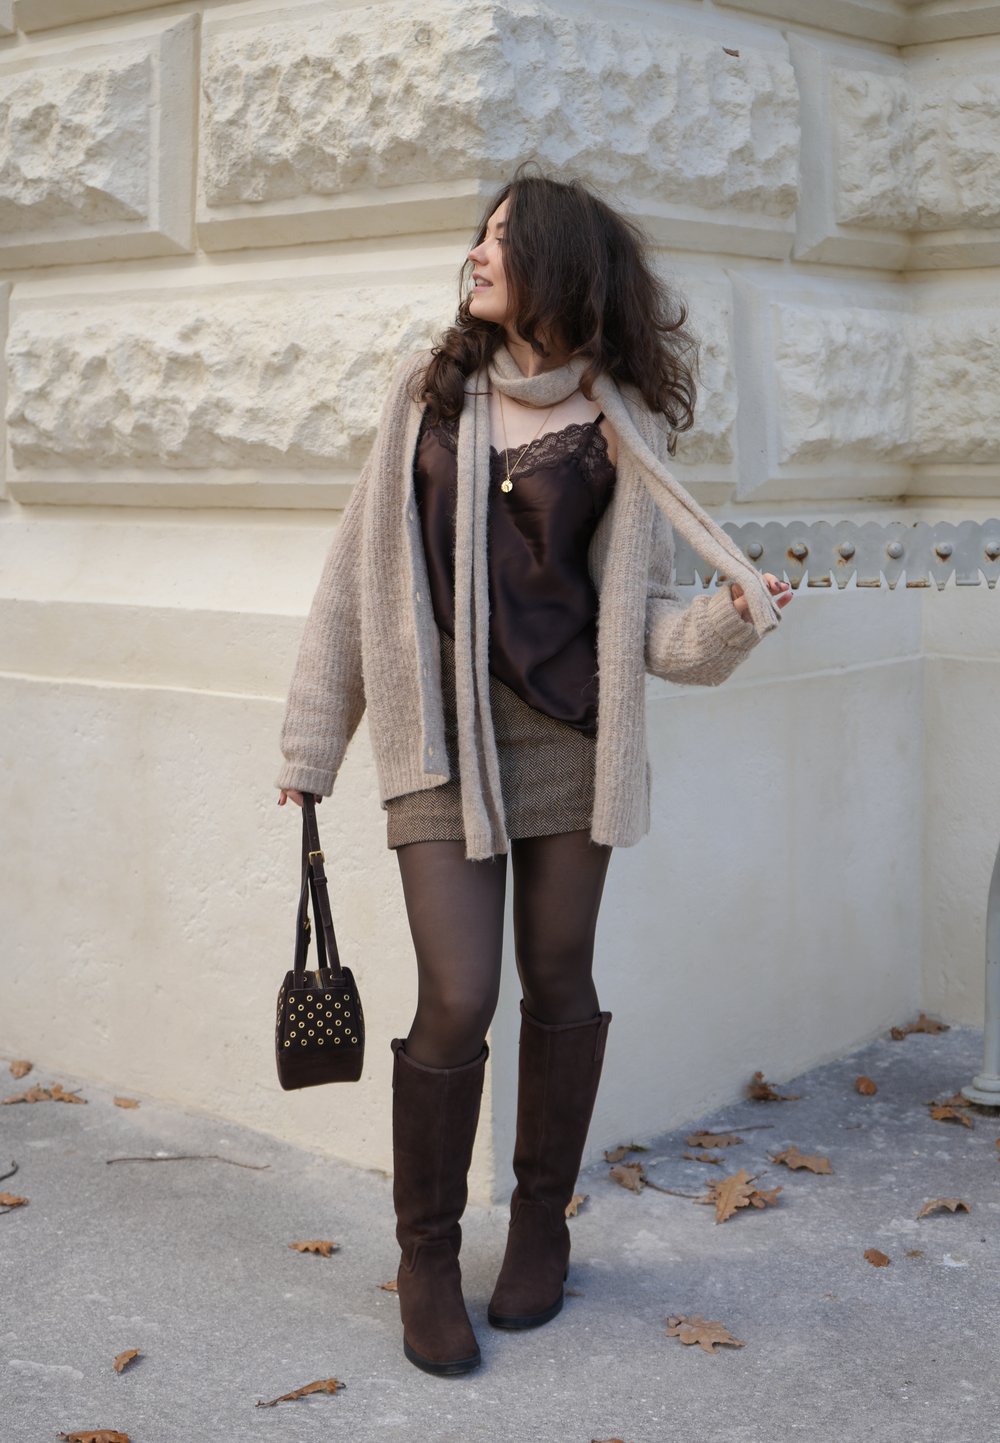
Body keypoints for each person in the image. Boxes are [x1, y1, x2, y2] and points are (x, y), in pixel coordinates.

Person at [275, 164, 793, 1378]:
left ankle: (541, 1225)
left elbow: (651, 630)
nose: (481, 251)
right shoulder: (426, 398)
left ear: (561, 265)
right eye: (481, 233)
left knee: (559, 977)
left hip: (567, 749)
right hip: (438, 746)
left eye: (506, 237)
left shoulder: (624, 428)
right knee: (456, 997)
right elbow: (352, 584)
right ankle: (424, 1255)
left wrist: (731, 617)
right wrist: (311, 747)